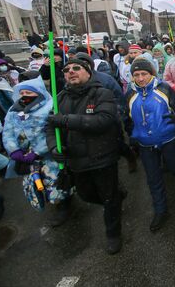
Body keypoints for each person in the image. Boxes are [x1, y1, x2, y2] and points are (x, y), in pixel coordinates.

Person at [46, 57, 124, 254]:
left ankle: (113, 234)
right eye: (66, 70)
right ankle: (115, 200)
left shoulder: (101, 93)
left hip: (102, 157)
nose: (71, 71)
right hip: (77, 161)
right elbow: (50, 127)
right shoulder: (59, 98)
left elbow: (103, 121)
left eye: (76, 68)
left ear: (88, 73)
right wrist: (54, 147)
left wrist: (66, 120)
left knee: (108, 198)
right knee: (86, 194)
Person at [125, 58, 175, 231]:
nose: (140, 78)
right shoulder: (129, 94)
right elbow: (126, 119)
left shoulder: (164, 89)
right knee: (153, 178)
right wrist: (132, 138)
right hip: (145, 144)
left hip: (168, 139)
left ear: (151, 74)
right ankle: (161, 210)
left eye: (144, 74)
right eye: (136, 75)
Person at [2, 77, 71, 223]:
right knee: (35, 184)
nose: (25, 96)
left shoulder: (50, 107)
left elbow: (53, 132)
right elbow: (8, 131)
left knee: (56, 183)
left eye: (29, 92)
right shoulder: (13, 110)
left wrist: (38, 151)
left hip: (48, 156)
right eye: (22, 93)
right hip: (26, 158)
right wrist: (14, 150)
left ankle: (64, 206)